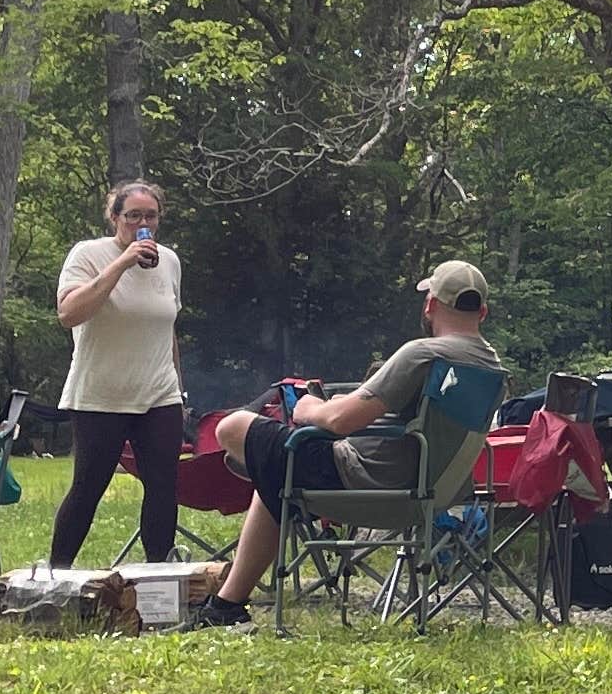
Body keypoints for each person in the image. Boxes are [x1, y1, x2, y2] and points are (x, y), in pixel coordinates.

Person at [194, 260, 507, 625]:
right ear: (482, 311)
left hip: (363, 481)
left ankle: (229, 595)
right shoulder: (493, 369)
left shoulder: (423, 354)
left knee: (232, 428)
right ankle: (227, 606)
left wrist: (309, 407)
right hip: (430, 495)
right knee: (276, 474)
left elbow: (341, 420)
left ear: (430, 305)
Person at [50, 180, 185, 568]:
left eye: (151, 216)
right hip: (100, 394)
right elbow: (69, 314)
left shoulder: (170, 262)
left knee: (162, 487)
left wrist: (181, 389)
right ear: (115, 218)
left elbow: (167, 327)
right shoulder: (89, 254)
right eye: (133, 216)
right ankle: (57, 575)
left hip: (159, 393)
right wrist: (122, 262)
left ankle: (159, 578)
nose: (143, 223)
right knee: (89, 486)